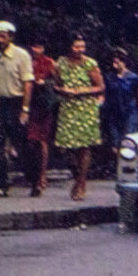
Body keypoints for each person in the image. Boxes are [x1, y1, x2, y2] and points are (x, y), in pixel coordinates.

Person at [54, 36, 104, 201]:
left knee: (84, 147)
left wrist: (80, 91)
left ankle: (81, 183)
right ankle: (77, 177)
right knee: (67, 146)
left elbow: (100, 86)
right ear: (69, 47)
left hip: (85, 108)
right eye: (76, 47)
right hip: (68, 107)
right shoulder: (60, 63)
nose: (80, 50)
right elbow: (56, 84)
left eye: (82, 46)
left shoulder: (90, 63)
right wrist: (63, 90)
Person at [0, 20, 33, 197]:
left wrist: (25, 108)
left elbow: (27, 83)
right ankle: (2, 184)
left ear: (10, 37)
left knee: (21, 143)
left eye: (3, 36)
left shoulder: (21, 55)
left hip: (15, 102)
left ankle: (34, 179)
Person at [101, 48, 138, 162]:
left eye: (117, 62)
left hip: (129, 111)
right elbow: (104, 94)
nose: (115, 64)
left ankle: (130, 166)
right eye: (114, 62)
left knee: (129, 141)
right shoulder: (109, 77)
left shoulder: (133, 77)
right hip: (114, 112)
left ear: (123, 62)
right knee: (115, 143)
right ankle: (119, 165)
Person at [24, 41, 56, 197]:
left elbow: (58, 83)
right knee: (30, 141)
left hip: (43, 106)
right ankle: (34, 177)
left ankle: (42, 175)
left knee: (42, 141)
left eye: (38, 46)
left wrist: (45, 83)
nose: (35, 49)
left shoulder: (50, 63)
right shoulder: (28, 62)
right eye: (33, 46)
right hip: (30, 105)